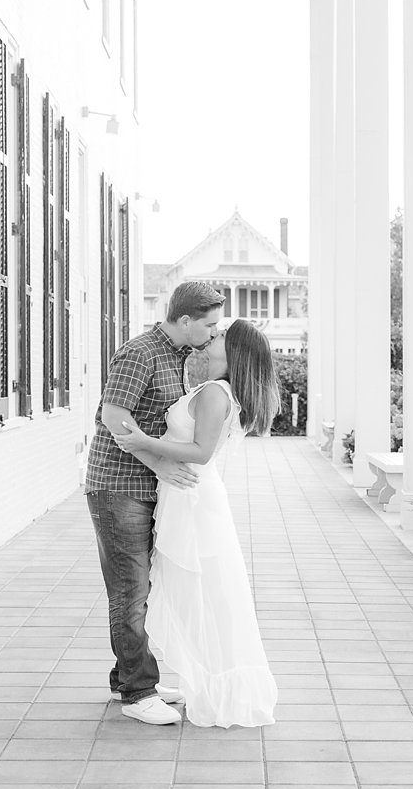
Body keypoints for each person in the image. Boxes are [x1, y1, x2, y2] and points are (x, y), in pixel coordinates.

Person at [113, 319, 281, 728]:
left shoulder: (214, 393)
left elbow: (201, 452)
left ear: (234, 349)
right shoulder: (216, 389)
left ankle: (195, 682)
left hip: (193, 498)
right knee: (197, 592)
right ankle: (155, 679)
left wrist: (141, 442)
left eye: (222, 333)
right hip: (188, 495)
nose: (214, 335)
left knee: (202, 593)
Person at [86, 281, 225, 725]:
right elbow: (113, 416)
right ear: (185, 320)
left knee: (138, 588)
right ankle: (137, 692)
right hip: (118, 485)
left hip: (143, 487)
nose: (212, 333)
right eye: (209, 324)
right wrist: (158, 464)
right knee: (131, 592)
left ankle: (127, 676)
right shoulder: (141, 352)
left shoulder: (177, 358)